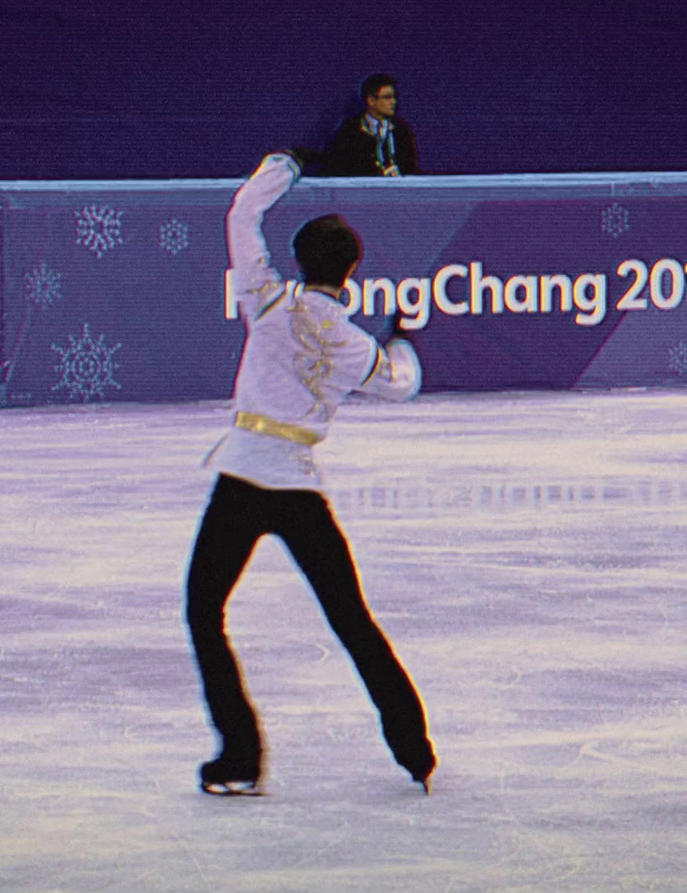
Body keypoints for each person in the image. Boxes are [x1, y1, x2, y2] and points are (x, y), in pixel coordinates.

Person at [185, 150, 436, 796]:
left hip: (243, 477)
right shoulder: (354, 346)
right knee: (351, 619)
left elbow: (242, 213)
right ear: (352, 271)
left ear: (299, 260)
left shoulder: (266, 302)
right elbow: (400, 385)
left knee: (204, 611)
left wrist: (284, 166)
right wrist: (401, 340)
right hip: (298, 486)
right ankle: (414, 746)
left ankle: (239, 754)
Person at [326, 74, 418, 177]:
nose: (393, 102)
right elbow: (340, 167)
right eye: (387, 97)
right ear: (371, 101)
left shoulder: (401, 130)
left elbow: (410, 167)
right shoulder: (351, 130)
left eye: (394, 97)